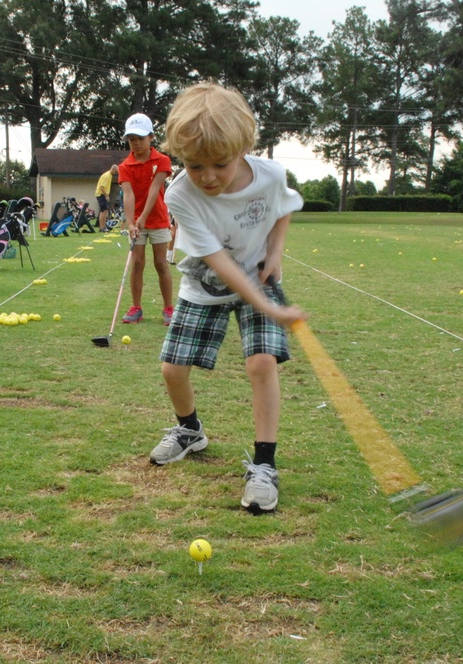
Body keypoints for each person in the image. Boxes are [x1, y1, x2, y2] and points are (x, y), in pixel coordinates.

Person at [150, 82, 306, 515]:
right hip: (207, 283)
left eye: (220, 164)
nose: (208, 177)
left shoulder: (270, 174)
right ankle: (190, 431)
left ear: (243, 147)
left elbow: (284, 207)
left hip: (259, 277)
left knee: (261, 362)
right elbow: (217, 261)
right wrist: (270, 307)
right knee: (172, 369)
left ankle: (264, 465)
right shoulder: (180, 194)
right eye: (194, 165)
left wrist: (275, 253)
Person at [118, 113, 174, 325]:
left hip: (158, 219)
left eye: (140, 138)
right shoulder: (125, 166)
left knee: (161, 263)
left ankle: (169, 308)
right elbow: (128, 195)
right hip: (137, 222)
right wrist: (131, 223)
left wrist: (141, 218)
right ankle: (136, 308)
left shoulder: (162, 160)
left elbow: (154, 190)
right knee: (137, 263)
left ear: (151, 137)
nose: (136, 143)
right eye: (132, 139)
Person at [95, 164, 119, 232]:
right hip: (101, 194)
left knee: (103, 211)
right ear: (113, 169)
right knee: (104, 211)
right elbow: (101, 187)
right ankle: (102, 227)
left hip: (102, 194)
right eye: (116, 172)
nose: (116, 174)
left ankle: (101, 227)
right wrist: (106, 195)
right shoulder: (107, 176)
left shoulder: (110, 175)